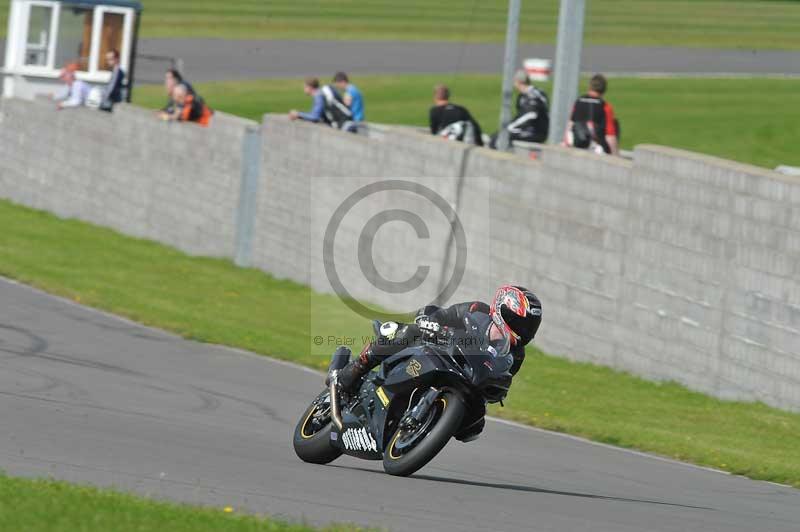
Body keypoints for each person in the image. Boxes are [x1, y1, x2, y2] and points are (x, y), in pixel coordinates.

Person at [331, 285, 541, 441]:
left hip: (462, 378)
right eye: (518, 322)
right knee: (405, 332)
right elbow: (442, 313)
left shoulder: (517, 354)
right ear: (501, 310)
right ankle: (356, 369)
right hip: (435, 350)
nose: (522, 331)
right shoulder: (477, 311)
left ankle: (425, 424)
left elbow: (499, 379)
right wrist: (428, 321)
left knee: (474, 427)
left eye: (528, 327)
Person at [489, 70, 549, 149]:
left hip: (535, 132)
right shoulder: (533, 93)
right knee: (497, 135)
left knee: (499, 137)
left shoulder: (531, 96)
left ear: (518, 82)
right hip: (532, 129)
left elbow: (530, 115)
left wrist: (510, 127)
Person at [563, 73, 619, 155]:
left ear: (590, 87)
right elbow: (610, 135)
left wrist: (565, 143)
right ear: (604, 89)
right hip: (597, 148)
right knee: (615, 123)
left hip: (578, 144)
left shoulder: (579, 102)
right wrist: (615, 155)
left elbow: (570, 125)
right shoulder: (605, 107)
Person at [289, 77, 354, 131]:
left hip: (343, 125)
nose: (304, 89)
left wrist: (298, 114)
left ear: (310, 87)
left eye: (305, 87)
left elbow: (315, 117)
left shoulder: (318, 95)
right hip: (347, 122)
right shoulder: (322, 93)